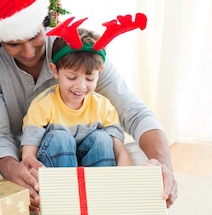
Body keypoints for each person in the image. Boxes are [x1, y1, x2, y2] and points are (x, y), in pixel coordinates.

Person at [0, 0, 178, 210]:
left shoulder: (78, 51)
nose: (28, 52)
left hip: (90, 156)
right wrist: (14, 170)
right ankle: (43, 210)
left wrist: (163, 165)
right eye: (14, 43)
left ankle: (63, 214)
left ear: (44, 23)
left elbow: (134, 112)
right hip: (27, 162)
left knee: (143, 159)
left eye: (34, 36)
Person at [21, 27, 132, 168]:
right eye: (71, 77)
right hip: (54, 166)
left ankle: (100, 187)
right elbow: (29, 155)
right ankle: (66, 188)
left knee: (103, 138)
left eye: (90, 79)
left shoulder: (103, 106)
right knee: (61, 138)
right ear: (55, 70)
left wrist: (121, 178)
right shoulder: (42, 105)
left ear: (100, 73)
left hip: (88, 162)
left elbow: (120, 152)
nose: (81, 86)